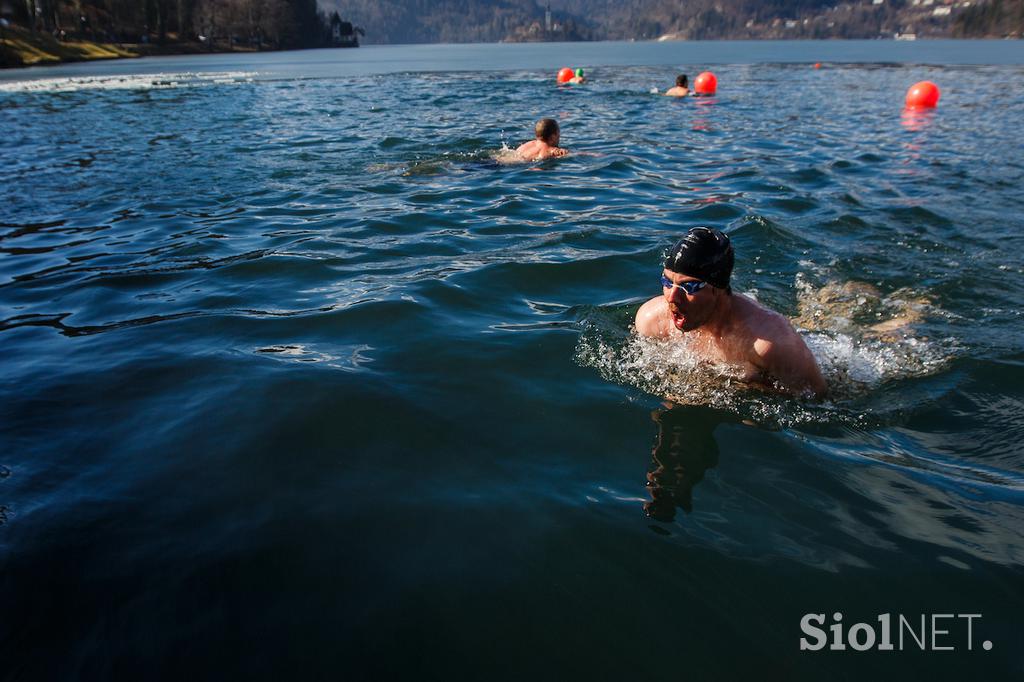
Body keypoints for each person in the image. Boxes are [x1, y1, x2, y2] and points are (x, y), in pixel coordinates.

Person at [634, 227, 827, 398]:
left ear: (717, 288)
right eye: (668, 282)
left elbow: (819, 398)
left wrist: (749, 389)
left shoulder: (771, 343)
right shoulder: (652, 321)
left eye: (689, 286)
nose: (672, 297)